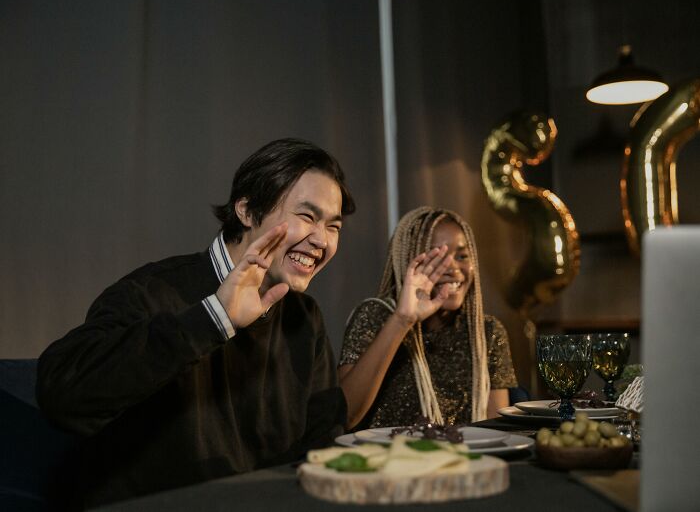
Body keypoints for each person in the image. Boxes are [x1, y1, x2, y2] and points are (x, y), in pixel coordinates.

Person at [36, 138, 355, 507]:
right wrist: (214, 318)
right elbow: (60, 393)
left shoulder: (304, 317)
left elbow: (323, 444)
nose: (322, 240)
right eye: (307, 216)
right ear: (248, 211)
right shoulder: (153, 291)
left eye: (334, 227)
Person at [339, 207, 517, 430]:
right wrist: (403, 320)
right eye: (437, 257)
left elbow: (496, 432)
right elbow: (343, 416)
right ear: (408, 262)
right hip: (385, 460)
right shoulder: (375, 316)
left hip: (464, 460)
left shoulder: (487, 331)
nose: (453, 268)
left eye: (462, 255)